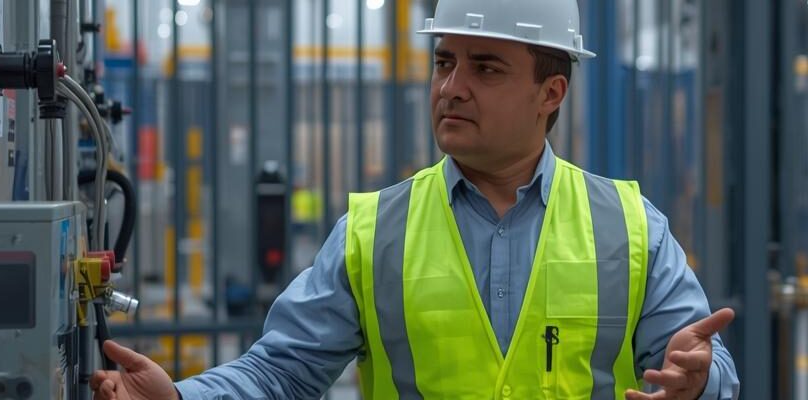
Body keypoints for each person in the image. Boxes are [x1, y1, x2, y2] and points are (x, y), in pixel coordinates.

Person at [92, 1, 738, 398]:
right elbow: (282, 374)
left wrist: (699, 380)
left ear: (552, 94)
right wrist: (182, 399)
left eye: (485, 68)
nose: (452, 87)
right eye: (443, 62)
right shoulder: (374, 232)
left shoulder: (628, 227)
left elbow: (699, 366)